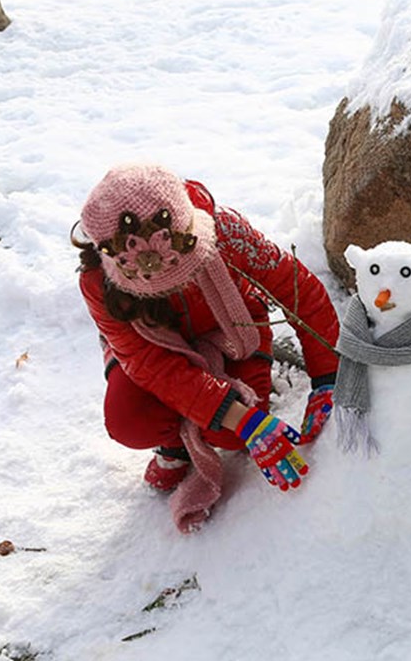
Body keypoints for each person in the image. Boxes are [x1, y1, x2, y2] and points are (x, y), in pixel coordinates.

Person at [72, 162, 340, 532]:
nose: (179, 286)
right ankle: (175, 444)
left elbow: (297, 289)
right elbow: (151, 365)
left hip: (233, 334)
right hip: (155, 354)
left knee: (229, 435)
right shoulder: (97, 283)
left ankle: (208, 418)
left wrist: (327, 376)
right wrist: (242, 418)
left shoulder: (224, 229)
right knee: (129, 421)